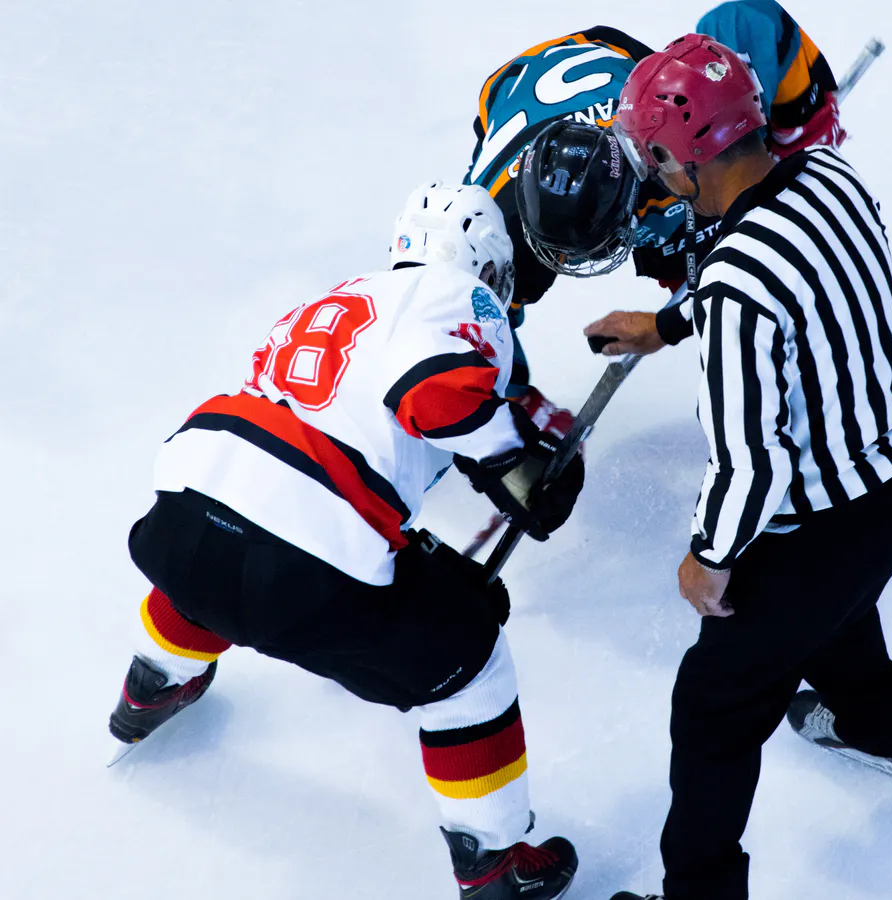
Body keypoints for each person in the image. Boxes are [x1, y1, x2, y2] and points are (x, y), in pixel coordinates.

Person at [106, 182, 585, 900]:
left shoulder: (343, 295)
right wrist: (513, 455)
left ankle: (150, 685)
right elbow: (432, 392)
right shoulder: (457, 295)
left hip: (184, 508)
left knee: (222, 550)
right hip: (298, 559)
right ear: (485, 262)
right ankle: (491, 861)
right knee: (472, 667)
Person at [605, 36, 892, 900]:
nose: (652, 174)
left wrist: (707, 559)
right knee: (830, 602)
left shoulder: (736, 287)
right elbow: (785, 278)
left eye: (654, 158)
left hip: (828, 519)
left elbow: (751, 467)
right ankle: (881, 727)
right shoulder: (829, 176)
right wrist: (667, 325)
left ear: (686, 158)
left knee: (712, 707)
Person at [464, 1, 844, 419]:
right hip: (517, 93)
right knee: (484, 289)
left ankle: (798, 136)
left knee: (738, 182)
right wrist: (515, 403)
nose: (575, 262)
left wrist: (791, 137)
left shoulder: (669, 159)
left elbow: (749, 18)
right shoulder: (489, 229)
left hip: (618, 79)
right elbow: (466, 318)